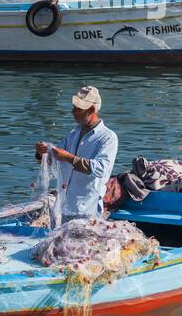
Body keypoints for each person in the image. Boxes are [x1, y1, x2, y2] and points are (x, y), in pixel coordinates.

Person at [35, 86, 119, 222]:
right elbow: (55, 159)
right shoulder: (73, 134)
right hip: (63, 206)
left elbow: (100, 169)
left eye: (78, 109)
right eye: (74, 107)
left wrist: (68, 158)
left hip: (86, 210)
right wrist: (42, 154)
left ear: (92, 110)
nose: (72, 112)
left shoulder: (108, 138)